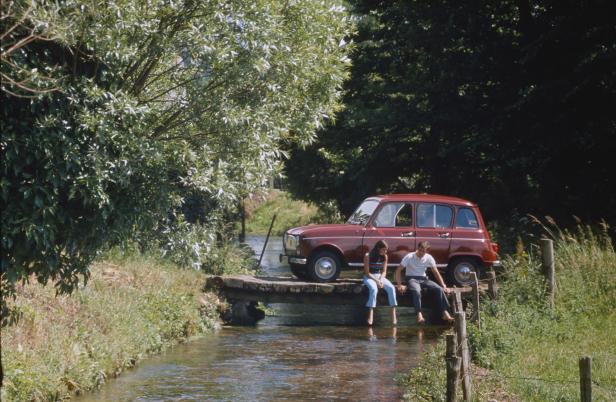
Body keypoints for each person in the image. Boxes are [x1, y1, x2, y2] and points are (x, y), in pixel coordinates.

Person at [395, 241, 454, 324]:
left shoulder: (429, 257)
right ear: (417, 248)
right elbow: (398, 271)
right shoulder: (409, 256)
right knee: (416, 291)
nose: (421, 252)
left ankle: (444, 312)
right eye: (420, 250)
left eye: (423, 251)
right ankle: (419, 314)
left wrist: (443, 285)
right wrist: (399, 284)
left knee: (439, 289)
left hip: (423, 279)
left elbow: (436, 272)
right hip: (411, 278)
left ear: (427, 251)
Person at [363, 240, 397, 326]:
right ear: (378, 248)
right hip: (369, 277)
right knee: (374, 289)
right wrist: (377, 281)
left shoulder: (385, 256)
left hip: (379, 276)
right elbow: (367, 273)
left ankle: (393, 313)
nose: (386, 251)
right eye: (384, 249)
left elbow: (384, 271)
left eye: (386, 250)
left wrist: (381, 280)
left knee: (391, 288)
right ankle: (371, 313)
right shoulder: (368, 256)